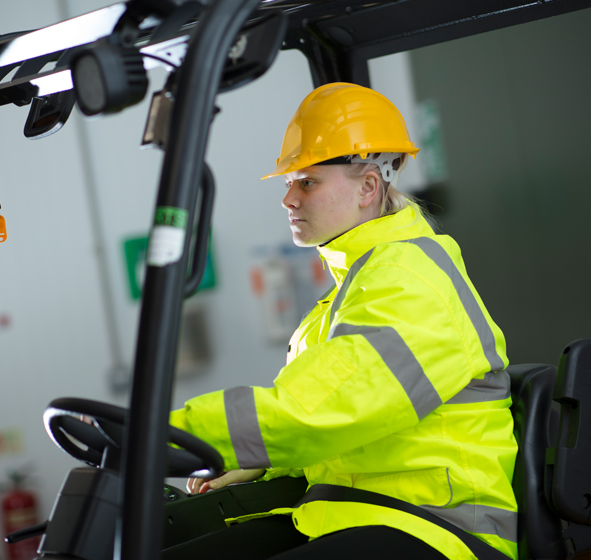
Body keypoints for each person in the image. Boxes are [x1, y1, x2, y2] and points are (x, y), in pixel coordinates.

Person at [166, 83, 517, 560]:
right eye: (290, 182)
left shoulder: (407, 281)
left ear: (369, 187)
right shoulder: (353, 289)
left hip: (435, 529)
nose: (288, 199)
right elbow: (338, 430)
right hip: (351, 512)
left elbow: (318, 413)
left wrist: (167, 434)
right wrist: (254, 466)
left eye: (306, 181)